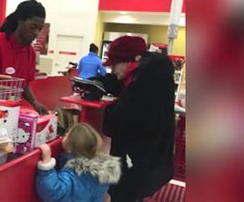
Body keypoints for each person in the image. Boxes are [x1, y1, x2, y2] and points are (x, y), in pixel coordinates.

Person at [101, 36, 175, 202]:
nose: (112, 69)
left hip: (136, 161)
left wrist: (107, 111)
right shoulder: (150, 75)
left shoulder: (144, 83)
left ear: (130, 61)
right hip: (146, 160)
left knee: (124, 195)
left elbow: (121, 121)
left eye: (114, 64)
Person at [0, 0, 48, 115]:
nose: (36, 33)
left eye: (39, 29)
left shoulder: (30, 52)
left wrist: (35, 102)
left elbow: (23, 84)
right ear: (20, 21)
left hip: (9, 111)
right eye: (33, 27)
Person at [36, 123, 121, 202]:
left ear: (69, 147)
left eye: (66, 135)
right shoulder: (102, 171)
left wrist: (47, 164)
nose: (63, 136)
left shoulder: (73, 173)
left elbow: (52, 192)